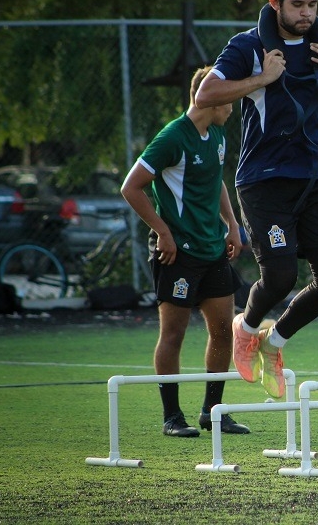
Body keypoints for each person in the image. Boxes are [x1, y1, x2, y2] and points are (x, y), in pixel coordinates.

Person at [195, 0, 318, 399]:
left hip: (315, 180)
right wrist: (260, 78)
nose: (307, 13)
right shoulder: (248, 46)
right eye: (297, 4)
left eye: (312, 4)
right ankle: (246, 329)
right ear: (275, 2)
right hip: (264, 181)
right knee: (281, 275)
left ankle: (275, 340)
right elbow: (204, 93)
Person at [120, 66, 250, 437]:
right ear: (214, 99)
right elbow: (131, 187)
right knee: (174, 334)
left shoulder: (218, 133)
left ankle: (213, 411)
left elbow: (216, 180)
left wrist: (232, 224)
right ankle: (172, 417)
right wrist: (162, 232)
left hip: (212, 249)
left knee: (223, 329)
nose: (233, 108)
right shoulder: (172, 138)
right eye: (230, 101)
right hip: (177, 253)